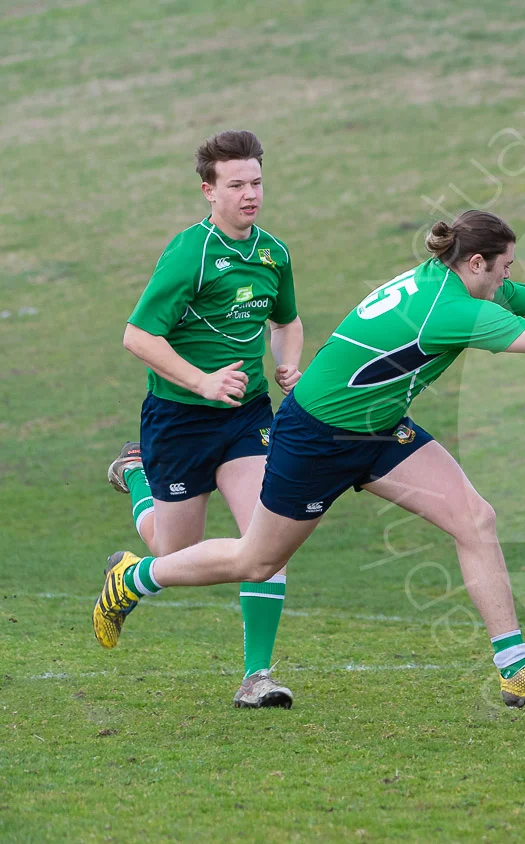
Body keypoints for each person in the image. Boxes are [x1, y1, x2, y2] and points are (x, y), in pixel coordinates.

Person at [92, 210, 525, 709]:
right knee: (257, 560)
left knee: (475, 518)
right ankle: (135, 578)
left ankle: (516, 669)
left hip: (379, 428)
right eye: (503, 269)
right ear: (476, 263)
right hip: (318, 436)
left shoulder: (451, 277)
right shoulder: (449, 308)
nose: (508, 280)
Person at [106, 130, 304, 708]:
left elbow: (286, 321)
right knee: (172, 555)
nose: (250, 194)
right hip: (179, 419)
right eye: (236, 185)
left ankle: (257, 676)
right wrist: (202, 381)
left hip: (247, 417)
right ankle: (137, 476)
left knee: (267, 540)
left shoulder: (273, 253)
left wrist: (288, 363)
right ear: (209, 191)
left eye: (256, 183)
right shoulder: (189, 252)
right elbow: (138, 335)